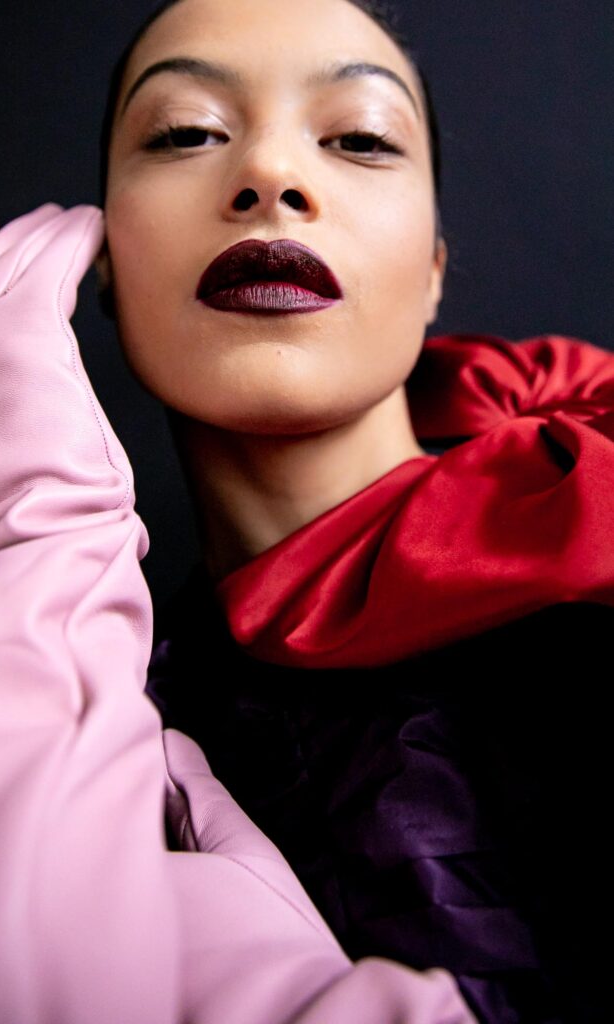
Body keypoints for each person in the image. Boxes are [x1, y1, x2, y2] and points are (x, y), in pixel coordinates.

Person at [94, 1, 614, 1022]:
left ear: (433, 273)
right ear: (100, 257)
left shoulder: (591, 550)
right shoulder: (114, 720)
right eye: (189, 132)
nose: (270, 175)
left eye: (362, 139)